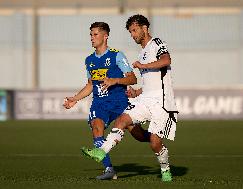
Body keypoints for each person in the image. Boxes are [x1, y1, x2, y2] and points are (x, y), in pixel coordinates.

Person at [81, 15, 178, 182]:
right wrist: (137, 92)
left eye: (134, 30)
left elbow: (166, 60)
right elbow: (151, 83)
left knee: (154, 142)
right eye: (130, 32)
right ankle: (101, 151)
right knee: (122, 120)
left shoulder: (157, 43)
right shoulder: (142, 53)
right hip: (145, 99)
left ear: (145, 28)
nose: (132, 35)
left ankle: (165, 168)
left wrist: (143, 66)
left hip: (162, 102)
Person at [63, 21, 150, 180]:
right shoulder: (89, 60)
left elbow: (132, 78)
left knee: (140, 136)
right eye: (90, 35)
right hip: (100, 103)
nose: (92, 38)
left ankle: (156, 139)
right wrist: (75, 99)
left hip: (120, 102)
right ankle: (109, 169)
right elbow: (90, 85)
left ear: (105, 36)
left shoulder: (117, 55)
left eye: (95, 34)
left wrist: (115, 81)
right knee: (96, 128)